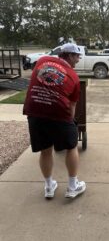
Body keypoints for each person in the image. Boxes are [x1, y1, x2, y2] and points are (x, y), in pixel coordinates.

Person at [23, 43, 86, 199]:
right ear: (69, 55)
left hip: (34, 111)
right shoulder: (74, 77)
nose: (78, 59)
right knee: (71, 147)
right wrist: (70, 124)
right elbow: (72, 106)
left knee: (45, 149)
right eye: (77, 56)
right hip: (59, 114)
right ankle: (72, 187)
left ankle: (49, 186)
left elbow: (37, 79)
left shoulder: (42, 60)